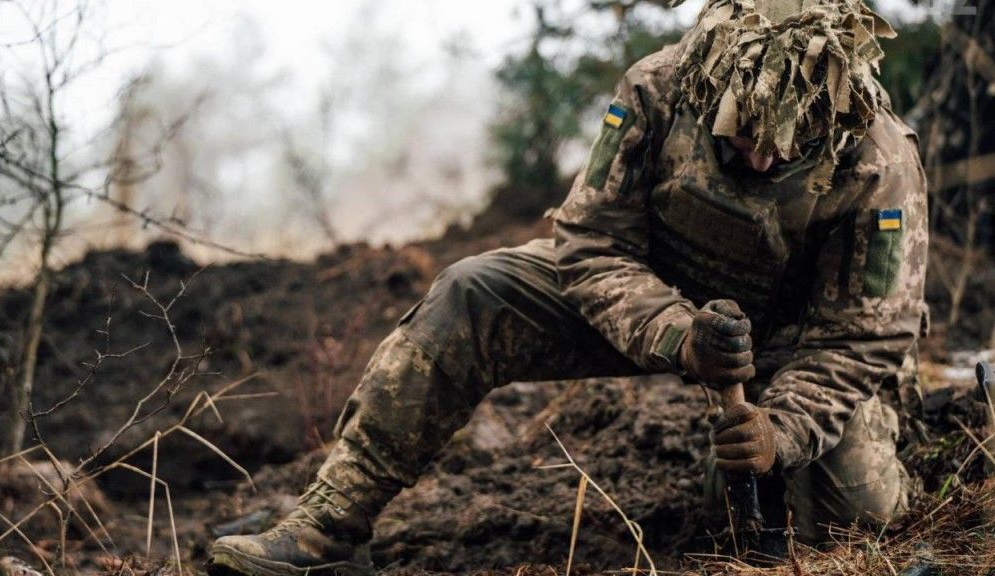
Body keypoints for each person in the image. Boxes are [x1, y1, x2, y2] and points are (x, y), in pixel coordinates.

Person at [208, 0, 928, 574]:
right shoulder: (659, 88)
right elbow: (591, 244)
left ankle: (760, 470)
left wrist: (782, 432)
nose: (762, 154)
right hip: (651, 297)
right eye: (743, 138)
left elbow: (863, 337)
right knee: (474, 291)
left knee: (853, 519)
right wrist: (678, 335)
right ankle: (330, 525)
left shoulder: (875, 160)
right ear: (710, 90)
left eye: (784, 145)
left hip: (789, 351)